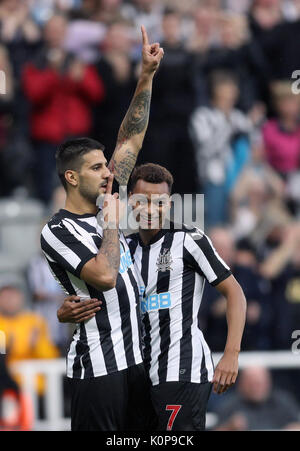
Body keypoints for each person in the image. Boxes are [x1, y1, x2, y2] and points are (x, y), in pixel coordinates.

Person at [41, 26, 164, 431]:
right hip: (98, 367)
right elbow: (106, 277)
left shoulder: (106, 197)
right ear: (72, 178)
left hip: (135, 362)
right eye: (97, 167)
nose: (108, 172)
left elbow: (130, 141)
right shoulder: (57, 231)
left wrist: (145, 75)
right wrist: (111, 222)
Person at [62, 163, 247, 431]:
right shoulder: (123, 249)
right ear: (130, 204)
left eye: (159, 203)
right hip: (137, 376)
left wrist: (231, 354)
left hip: (181, 369)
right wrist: (64, 312)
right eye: (142, 201)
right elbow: (100, 297)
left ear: (169, 205)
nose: (151, 210)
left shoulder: (189, 240)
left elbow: (235, 293)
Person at [214, 366, 300, 430]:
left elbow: (297, 425)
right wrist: (230, 427)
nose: (255, 388)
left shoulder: (283, 401)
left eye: (259, 383)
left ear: (268, 383)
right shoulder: (230, 405)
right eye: (251, 384)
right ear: (241, 384)